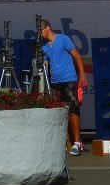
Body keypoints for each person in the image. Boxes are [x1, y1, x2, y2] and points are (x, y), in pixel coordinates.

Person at [37, 19, 88, 155]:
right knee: (60, 113)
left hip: (69, 80)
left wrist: (82, 75)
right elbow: (46, 64)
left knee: (72, 111)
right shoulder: (45, 47)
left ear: (47, 28)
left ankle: (77, 143)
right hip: (55, 82)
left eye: (41, 30)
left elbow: (77, 57)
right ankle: (64, 143)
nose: (39, 34)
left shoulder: (63, 39)